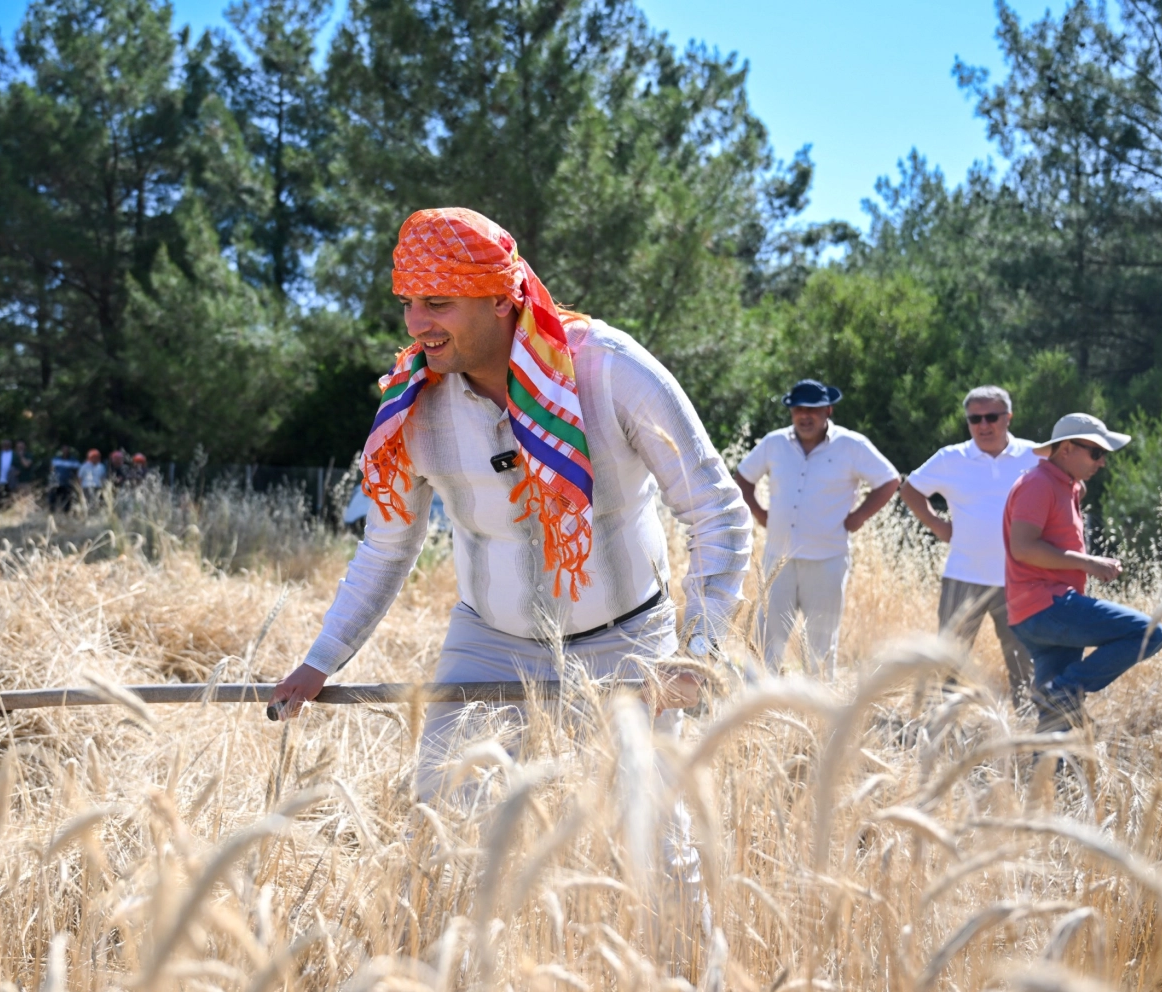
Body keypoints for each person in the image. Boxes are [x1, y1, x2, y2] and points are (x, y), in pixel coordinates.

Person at [269, 207, 752, 814]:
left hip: (629, 644)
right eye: (408, 303)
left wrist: (697, 653)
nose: (416, 323)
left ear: (501, 298)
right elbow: (387, 548)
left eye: (438, 302)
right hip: (488, 646)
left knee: (650, 842)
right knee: (444, 830)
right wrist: (320, 660)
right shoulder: (411, 408)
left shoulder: (609, 370)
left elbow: (716, 510)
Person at [1004, 413, 1162, 731]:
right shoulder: (1038, 485)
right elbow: (1023, 548)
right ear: (1066, 449)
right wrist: (1088, 563)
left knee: (1057, 719)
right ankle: (1062, 691)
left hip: (1039, 610)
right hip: (1046, 606)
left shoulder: (1063, 485)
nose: (1102, 462)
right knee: (1149, 633)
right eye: (1096, 452)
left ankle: (1049, 760)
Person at [735, 380, 900, 677]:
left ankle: (818, 703)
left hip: (827, 560)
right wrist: (759, 513)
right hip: (778, 557)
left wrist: (859, 516)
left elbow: (889, 480)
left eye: (813, 409)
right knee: (764, 637)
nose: (805, 415)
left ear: (828, 410)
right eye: (798, 409)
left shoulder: (851, 445)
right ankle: (755, 701)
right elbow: (743, 478)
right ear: (791, 412)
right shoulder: (774, 443)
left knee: (821, 643)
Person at [899, 386, 1037, 698]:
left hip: (1020, 578)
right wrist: (937, 525)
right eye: (975, 419)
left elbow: (1071, 486)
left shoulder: (1035, 455)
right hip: (963, 575)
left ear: (1009, 417)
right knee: (948, 660)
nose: (983, 425)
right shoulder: (951, 458)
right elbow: (909, 490)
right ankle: (940, 722)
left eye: (992, 417)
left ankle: (1029, 724)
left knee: (1024, 662)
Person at [48, 446, 80, 513]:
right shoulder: (56, 459)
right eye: (64, 450)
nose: (65, 452)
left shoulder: (74, 461)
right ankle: (52, 512)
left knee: (66, 499)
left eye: (66, 450)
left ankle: (65, 513)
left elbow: (77, 472)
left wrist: (76, 481)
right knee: (52, 498)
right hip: (56, 483)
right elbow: (52, 470)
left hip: (67, 483)